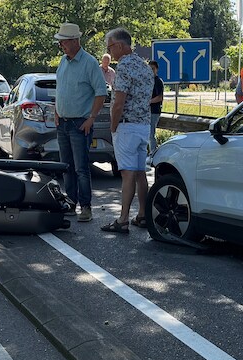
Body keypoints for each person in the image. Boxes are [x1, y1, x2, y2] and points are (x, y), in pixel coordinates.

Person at [53, 22, 108, 223]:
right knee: (66, 167)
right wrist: (56, 111)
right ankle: (70, 203)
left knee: (81, 168)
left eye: (64, 42)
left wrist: (91, 118)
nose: (61, 45)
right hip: (63, 123)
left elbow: (101, 93)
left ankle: (86, 207)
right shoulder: (63, 62)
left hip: (80, 123)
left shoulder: (90, 63)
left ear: (75, 41)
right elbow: (60, 89)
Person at [101, 27, 154, 233]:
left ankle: (123, 218)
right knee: (140, 172)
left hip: (127, 126)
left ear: (120, 45)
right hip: (143, 126)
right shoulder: (145, 67)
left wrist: (113, 126)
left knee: (128, 174)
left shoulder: (124, 68)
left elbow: (118, 102)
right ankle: (142, 214)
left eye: (110, 47)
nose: (109, 51)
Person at [148, 60, 163, 154]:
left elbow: (159, 97)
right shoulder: (148, 81)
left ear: (156, 69)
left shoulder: (157, 81)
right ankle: (150, 152)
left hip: (154, 111)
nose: (151, 71)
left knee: (151, 133)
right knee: (147, 133)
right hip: (148, 110)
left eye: (153, 69)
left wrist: (148, 102)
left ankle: (153, 153)